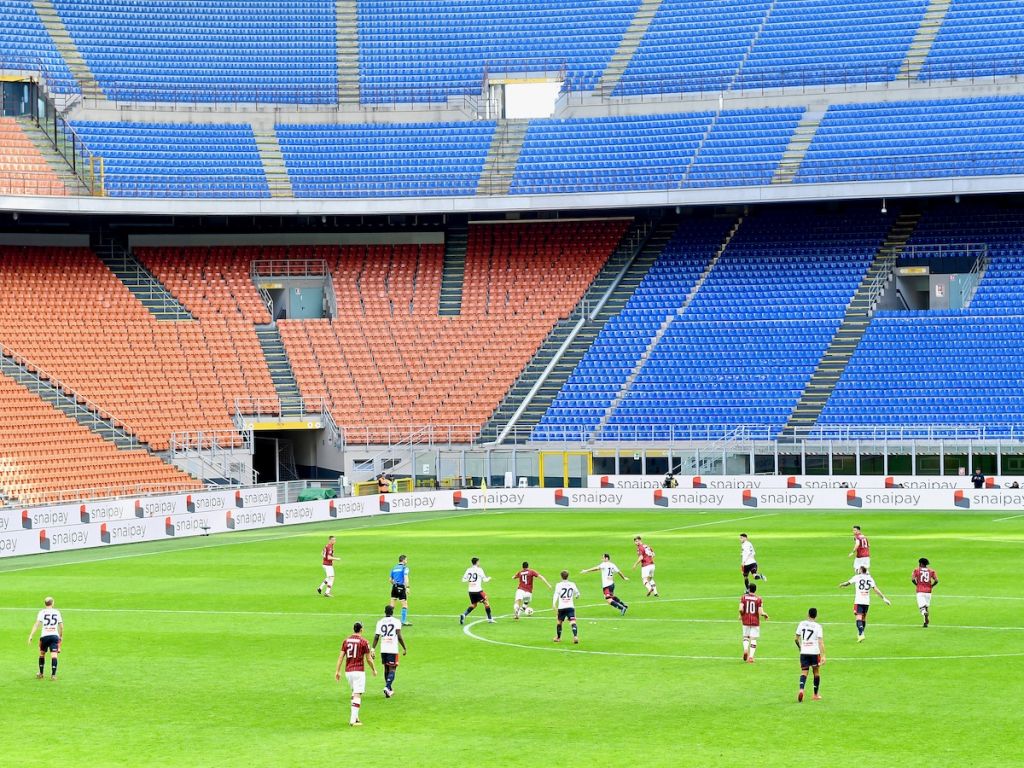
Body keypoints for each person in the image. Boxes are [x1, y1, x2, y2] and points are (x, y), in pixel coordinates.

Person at [336, 622, 377, 726]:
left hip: (348, 671)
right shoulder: (364, 642)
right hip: (358, 671)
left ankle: (356, 717)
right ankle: (352, 721)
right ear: (361, 629)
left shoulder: (346, 641)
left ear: (353, 629)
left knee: (354, 692)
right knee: (358, 694)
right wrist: (374, 669)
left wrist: (337, 671)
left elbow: (341, 657)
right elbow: (368, 659)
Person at [839, 566, 891, 641]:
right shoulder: (870, 578)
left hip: (858, 601)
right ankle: (861, 633)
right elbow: (875, 589)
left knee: (858, 618)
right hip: (866, 602)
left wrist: (842, 584)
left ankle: (861, 633)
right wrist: (884, 598)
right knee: (864, 618)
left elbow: (847, 583)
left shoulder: (857, 577)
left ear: (860, 570)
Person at [373, 606, 407, 698]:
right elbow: (399, 636)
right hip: (392, 649)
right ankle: (387, 687)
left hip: (383, 648)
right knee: (392, 669)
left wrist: (373, 649)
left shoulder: (380, 622)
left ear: (385, 612)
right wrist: (404, 647)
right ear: (392, 612)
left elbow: (376, 637)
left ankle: (389, 690)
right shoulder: (396, 621)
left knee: (386, 669)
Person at [27, 596, 63, 680]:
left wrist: (31, 635)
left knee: (42, 654)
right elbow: (61, 626)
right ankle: (53, 675)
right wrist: (61, 636)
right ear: (52, 603)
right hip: (54, 636)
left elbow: (36, 625)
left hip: (44, 636)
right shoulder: (57, 612)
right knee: (54, 655)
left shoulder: (42, 612)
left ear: (45, 604)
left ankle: (41, 673)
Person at [795, 607, 826, 702]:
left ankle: (801, 689)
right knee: (816, 672)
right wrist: (823, 655)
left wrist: (800, 647)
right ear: (816, 616)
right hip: (814, 652)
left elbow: (796, 639)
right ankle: (815, 694)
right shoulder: (818, 626)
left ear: (808, 614)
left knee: (804, 672)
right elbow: (820, 642)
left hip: (804, 652)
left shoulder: (801, 624)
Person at [459, 557, 493, 625]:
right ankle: (490, 619)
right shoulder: (479, 570)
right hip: (478, 591)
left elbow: (463, 580)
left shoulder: (468, 570)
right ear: (477, 562)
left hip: (470, 591)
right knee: (486, 602)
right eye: (479, 562)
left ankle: (464, 615)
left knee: (474, 604)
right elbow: (485, 580)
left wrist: (469, 580)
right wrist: (489, 578)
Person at [739, 583, 769, 663]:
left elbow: (740, 609)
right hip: (755, 621)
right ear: (755, 590)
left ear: (748, 589)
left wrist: (741, 615)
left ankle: (745, 649)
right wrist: (765, 614)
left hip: (745, 620)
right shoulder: (758, 599)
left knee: (746, 637)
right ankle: (751, 657)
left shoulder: (743, 597)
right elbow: (760, 612)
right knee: (753, 639)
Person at [552, 570, 581, 644]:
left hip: (561, 607)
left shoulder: (558, 585)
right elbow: (577, 594)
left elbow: (556, 595)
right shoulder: (572, 584)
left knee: (559, 622)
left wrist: (554, 604)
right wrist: (576, 596)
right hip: (570, 606)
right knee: (573, 621)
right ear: (568, 576)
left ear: (561, 576)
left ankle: (558, 638)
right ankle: (575, 636)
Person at [912, 557, 939, 628]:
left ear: (920, 563)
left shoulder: (916, 570)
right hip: (928, 592)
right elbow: (936, 580)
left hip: (920, 591)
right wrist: (931, 586)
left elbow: (912, 579)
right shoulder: (931, 571)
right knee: (926, 607)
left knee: (922, 608)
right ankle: (925, 623)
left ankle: (924, 613)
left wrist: (917, 585)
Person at [389, 554, 411, 626]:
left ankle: (389, 620)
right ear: (403, 560)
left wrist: (395, 584)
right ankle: (403, 621)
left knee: (392, 604)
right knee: (404, 605)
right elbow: (405, 577)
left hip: (394, 587)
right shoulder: (405, 568)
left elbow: (390, 580)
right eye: (406, 560)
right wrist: (407, 587)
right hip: (401, 587)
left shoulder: (394, 568)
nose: (407, 561)